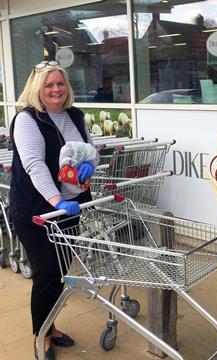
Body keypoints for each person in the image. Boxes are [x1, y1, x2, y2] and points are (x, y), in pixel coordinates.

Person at [10, 60, 99, 360]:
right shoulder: (28, 119)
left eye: (60, 83)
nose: (56, 89)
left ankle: (51, 325)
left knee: (60, 272)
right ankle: (41, 335)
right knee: (46, 273)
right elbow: (34, 165)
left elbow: (90, 149)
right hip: (37, 212)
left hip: (71, 210)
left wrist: (90, 165)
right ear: (37, 88)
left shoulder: (75, 115)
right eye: (49, 85)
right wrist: (56, 201)